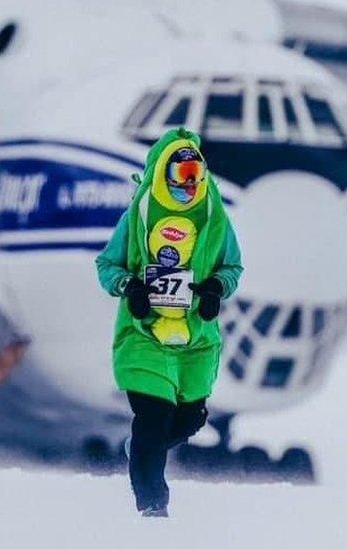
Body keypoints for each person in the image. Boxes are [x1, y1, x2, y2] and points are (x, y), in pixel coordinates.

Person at [95, 127, 243, 517]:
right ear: (164, 174)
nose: (189, 184)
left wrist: (214, 288)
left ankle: (142, 450)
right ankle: (152, 506)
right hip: (145, 335)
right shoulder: (140, 213)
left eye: (196, 174)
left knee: (190, 420)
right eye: (181, 175)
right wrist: (130, 287)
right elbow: (107, 265)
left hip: (194, 339)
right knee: (153, 417)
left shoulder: (214, 217)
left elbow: (233, 267)